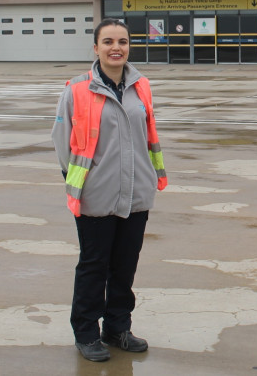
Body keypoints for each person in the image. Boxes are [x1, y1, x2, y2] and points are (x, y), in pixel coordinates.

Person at [52, 18, 168, 362]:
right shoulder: (77, 89)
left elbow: (148, 135)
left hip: (136, 193)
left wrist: (148, 178)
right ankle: (86, 332)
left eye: (122, 41)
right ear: (96, 48)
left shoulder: (141, 86)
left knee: (125, 265)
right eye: (108, 42)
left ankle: (118, 328)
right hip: (96, 195)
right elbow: (62, 141)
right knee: (94, 265)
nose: (116, 48)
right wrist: (81, 180)